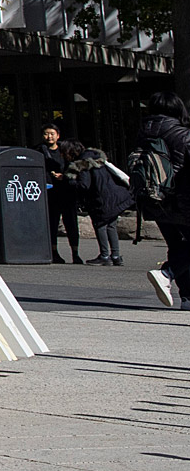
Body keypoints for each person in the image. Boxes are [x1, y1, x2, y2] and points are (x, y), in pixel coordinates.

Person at [137, 94, 190, 309]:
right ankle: (166, 272)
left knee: (177, 245)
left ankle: (187, 297)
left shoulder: (143, 133)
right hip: (181, 200)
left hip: (154, 199)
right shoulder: (182, 134)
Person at [75, 147, 134, 266]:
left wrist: (69, 180)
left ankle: (104, 255)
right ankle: (116, 255)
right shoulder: (100, 160)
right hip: (117, 196)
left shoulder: (83, 163)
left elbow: (84, 185)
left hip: (102, 199)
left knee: (100, 224)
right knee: (111, 225)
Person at [41, 125, 85, 263]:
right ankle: (54, 252)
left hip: (67, 191)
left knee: (71, 223)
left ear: (58, 135)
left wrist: (64, 176)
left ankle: (75, 253)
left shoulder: (65, 150)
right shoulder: (40, 151)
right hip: (50, 192)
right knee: (52, 223)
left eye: (52, 134)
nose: (49, 137)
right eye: (46, 134)